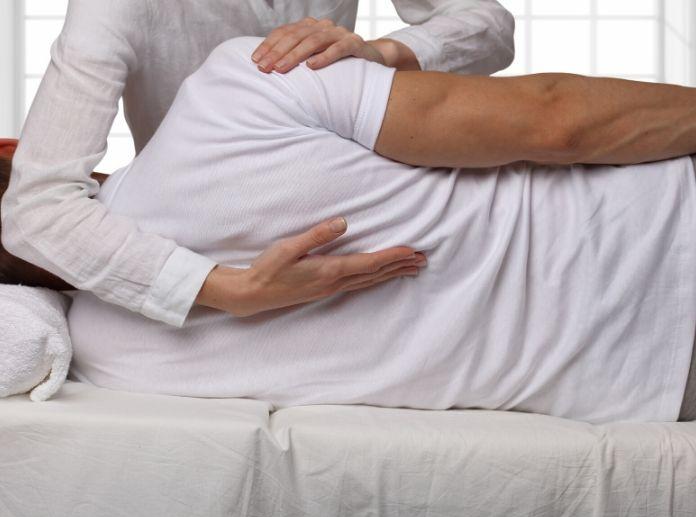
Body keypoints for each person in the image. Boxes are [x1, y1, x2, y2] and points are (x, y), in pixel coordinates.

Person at [2, 36, 695, 423]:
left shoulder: (111, 366)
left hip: (648, 385)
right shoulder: (237, 89)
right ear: (20, 152)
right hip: (668, 227)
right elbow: (555, 121)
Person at [1, 1, 514, 330]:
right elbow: (37, 206)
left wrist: (383, 51)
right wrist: (228, 290)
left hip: (360, 196)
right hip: (213, 237)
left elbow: (489, 24)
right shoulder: (114, 9)